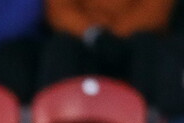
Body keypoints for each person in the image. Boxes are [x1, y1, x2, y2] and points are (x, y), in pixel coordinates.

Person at [38, 0, 173, 106]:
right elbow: (59, 9)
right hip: (82, 39)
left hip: (133, 40)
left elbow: (155, 10)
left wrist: (116, 36)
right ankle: (59, 119)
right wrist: (94, 35)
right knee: (61, 47)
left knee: (146, 46)